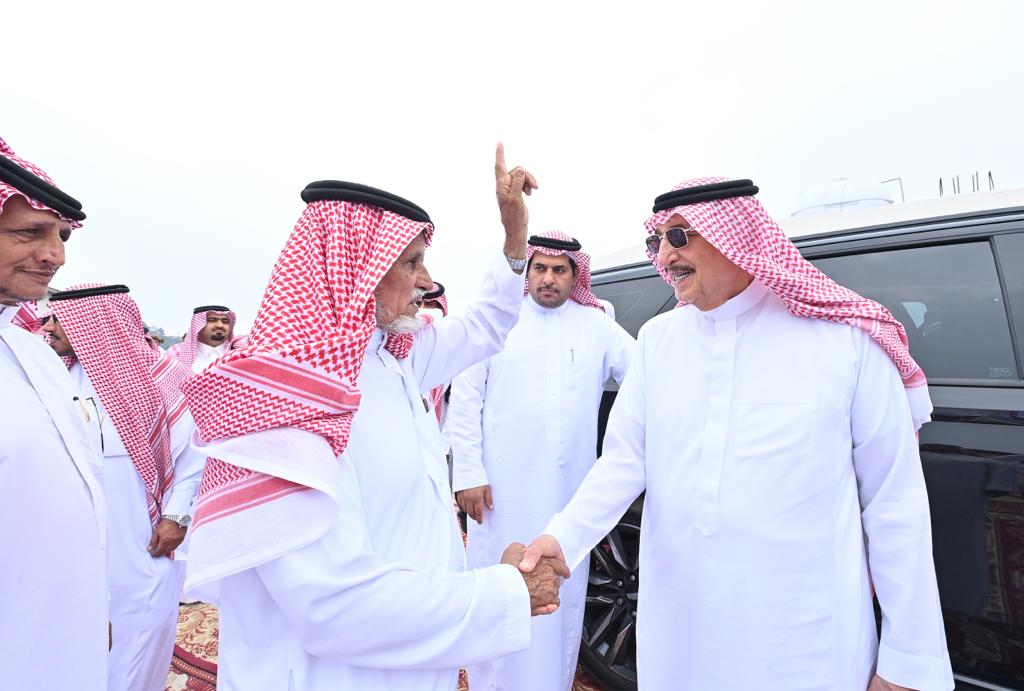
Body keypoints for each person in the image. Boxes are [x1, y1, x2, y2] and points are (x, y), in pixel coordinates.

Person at [520, 178, 953, 691]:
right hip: (679, 630)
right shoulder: (658, 342)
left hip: (803, 640)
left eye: (679, 236)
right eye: (657, 239)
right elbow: (623, 462)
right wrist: (563, 539)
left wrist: (908, 658)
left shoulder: (846, 343)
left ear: (736, 236)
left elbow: (894, 502)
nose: (665, 255)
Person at [180, 147, 568, 690]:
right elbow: (332, 606)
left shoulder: (391, 357)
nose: (427, 280)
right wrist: (506, 592)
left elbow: (485, 326)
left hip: (408, 659)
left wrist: (514, 238)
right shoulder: (290, 396)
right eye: (411, 262)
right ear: (356, 273)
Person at [448, 229, 635, 691]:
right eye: (540, 268)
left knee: (559, 600)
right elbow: (466, 397)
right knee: (499, 585)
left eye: (560, 270)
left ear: (575, 275)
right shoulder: (499, 321)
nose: (549, 278)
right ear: (527, 272)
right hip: (499, 493)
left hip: (570, 497)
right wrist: (468, 472)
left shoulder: (597, 326)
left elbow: (645, 377)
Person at [44, 283, 207, 691]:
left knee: (138, 626)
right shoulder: (53, 377)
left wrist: (176, 517)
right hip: (72, 533)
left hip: (139, 532)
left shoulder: (164, 379)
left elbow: (193, 459)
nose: (47, 326)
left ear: (94, 323)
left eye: (59, 319)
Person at [0, 136, 108, 689]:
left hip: (63, 632)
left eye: (61, 237)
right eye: (29, 233)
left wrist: (90, 604)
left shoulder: (33, 355)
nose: (56, 256)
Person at [166, 305, 246, 373]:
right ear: (197, 325)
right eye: (212, 320)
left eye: (225, 321)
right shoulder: (176, 353)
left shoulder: (241, 352)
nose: (220, 325)